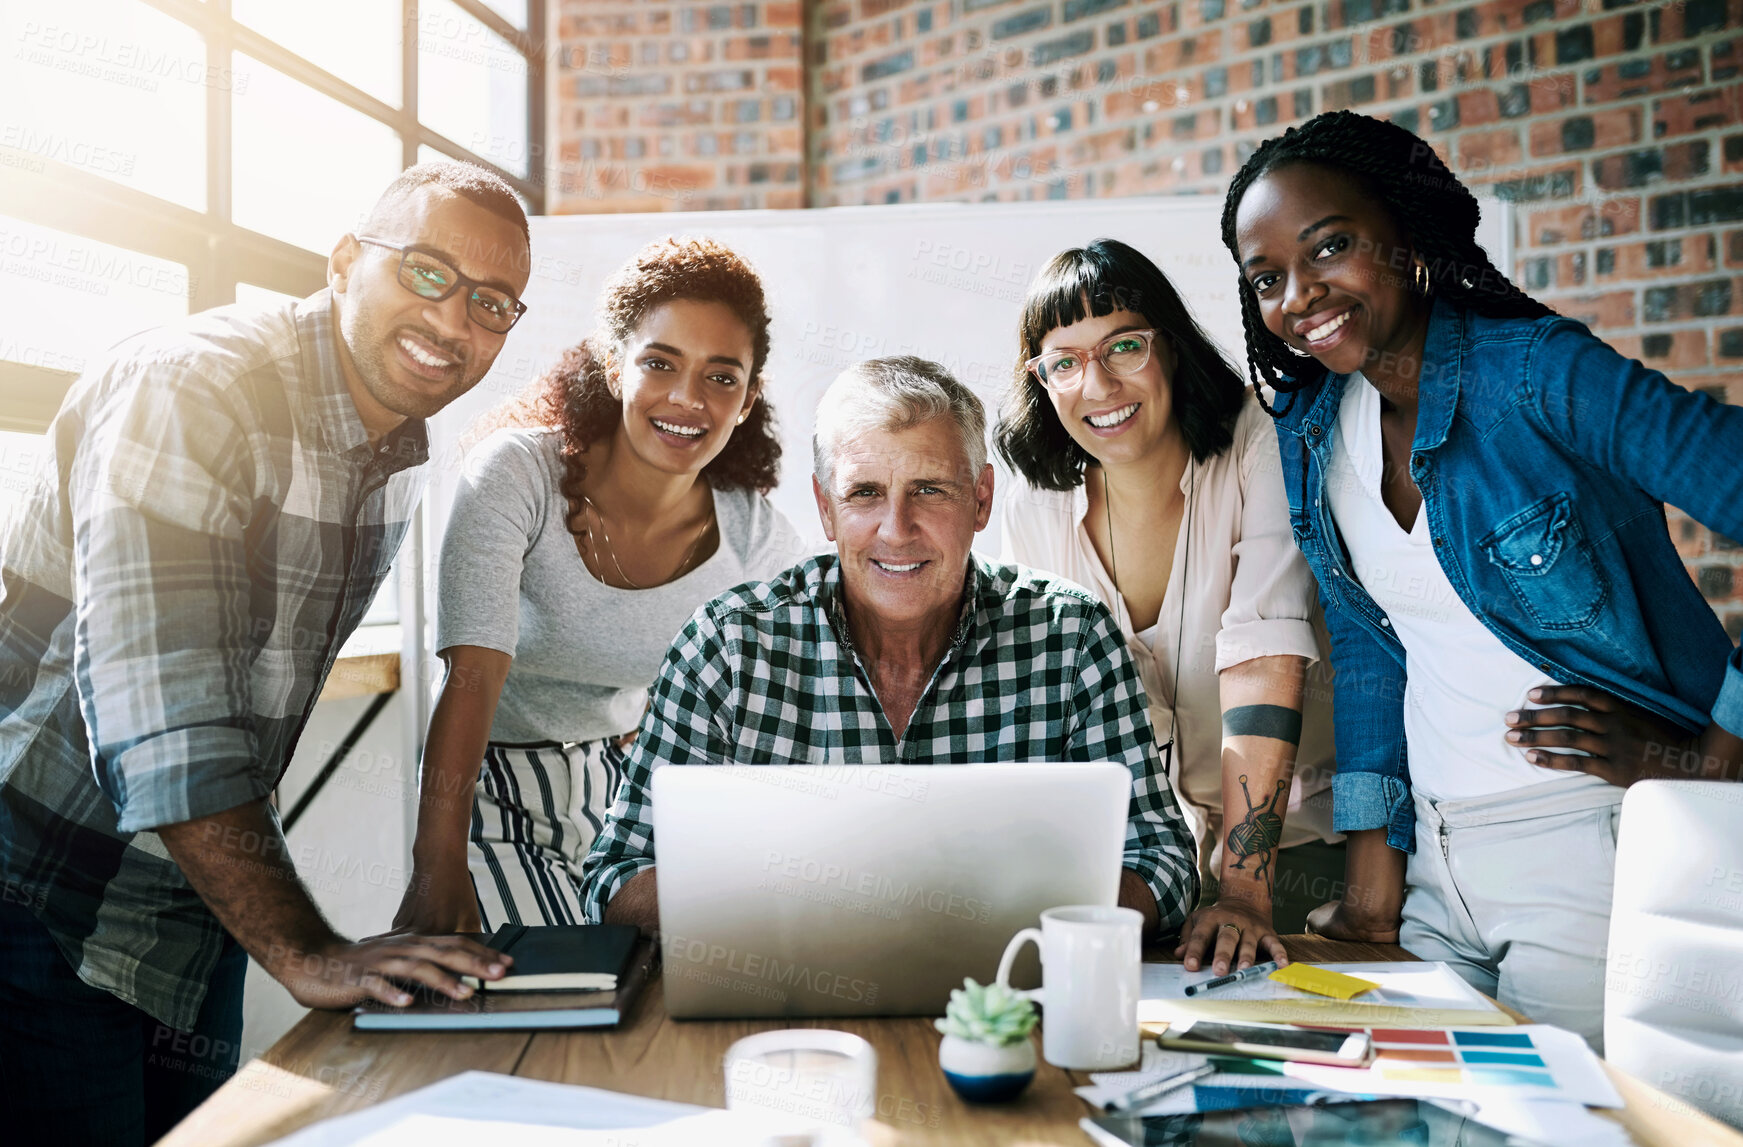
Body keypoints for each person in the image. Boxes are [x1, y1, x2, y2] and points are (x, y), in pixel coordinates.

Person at [0, 161, 531, 1142]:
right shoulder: (196, 389)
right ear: (342, 263)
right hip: (43, 905)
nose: (454, 321)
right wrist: (308, 948)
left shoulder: (398, 451)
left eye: (492, 303)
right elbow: (172, 715)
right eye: (425, 272)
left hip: (190, 913)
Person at [1224, 109, 1743, 1049]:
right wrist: (1372, 874)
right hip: (1432, 863)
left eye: (1328, 246)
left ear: (1407, 234)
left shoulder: (1541, 375)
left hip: (1589, 850)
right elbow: (1371, 646)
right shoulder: (1311, 424)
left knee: (1560, 1123)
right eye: (1267, 278)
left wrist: (1703, 765)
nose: (1299, 295)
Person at [577, 356, 1200, 938]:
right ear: (825, 509)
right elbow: (618, 873)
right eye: (864, 493)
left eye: (929, 490)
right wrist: (795, 914)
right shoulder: (728, 645)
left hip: (1012, 1004)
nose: (896, 530)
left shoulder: (1072, 638)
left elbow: (1163, 861)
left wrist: (1013, 920)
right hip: (780, 1004)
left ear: (980, 500)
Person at [391, 237, 807, 933]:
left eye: (721, 376)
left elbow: (765, 713)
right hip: (490, 790)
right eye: (659, 363)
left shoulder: (758, 538)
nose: (687, 398)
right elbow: (469, 677)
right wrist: (437, 870)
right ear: (614, 367)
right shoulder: (517, 476)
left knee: (662, 991)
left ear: (747, 398)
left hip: (634, 803)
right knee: (545, 997)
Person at [993, 239, 1342, 976]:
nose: (1097, 385)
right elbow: (1045, 713)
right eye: (1063, 361)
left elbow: (1263, 659)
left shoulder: (1259, 441)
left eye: (1123, 345)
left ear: (1171, 347)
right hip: (1168, 877)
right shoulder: (1036, 509)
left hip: (1316, 855)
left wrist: (1245, 894)